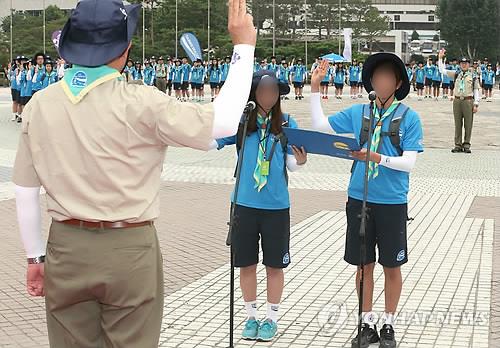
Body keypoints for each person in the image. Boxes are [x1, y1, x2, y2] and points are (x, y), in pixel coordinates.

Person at [12, 0, 256, 347]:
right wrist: (243, 46)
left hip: (65, 245)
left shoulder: (40, 103)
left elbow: (24, 189)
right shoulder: (142, 101)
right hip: (128, 245)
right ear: (125, 49)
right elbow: (224, 121)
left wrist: (35, 256)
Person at [310, 53, 424, 348]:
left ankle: (388, 324)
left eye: (387, 76)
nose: (381, 81)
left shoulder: (409, 118)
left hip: (392, 201)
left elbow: (408, 163)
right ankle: (367, 322)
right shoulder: (360, 113)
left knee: (392, 266)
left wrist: (375, 157)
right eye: (376, 76)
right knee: (363, 266)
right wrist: (314, 88)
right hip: (358, 198)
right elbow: (321, 126)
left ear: (397, 83)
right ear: (371, 82)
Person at [210, 70, 307, 342]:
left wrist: (299, 162)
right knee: (246, 264)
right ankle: (250, 317)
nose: (269, 95)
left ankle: (271, 319)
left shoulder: (287, 123)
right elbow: (212, 141)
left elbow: (290, 164)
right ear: (253, 94)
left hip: (276, 206)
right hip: (243, 204)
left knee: (275, 265)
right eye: (263, 90)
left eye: (274, 91)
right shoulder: (242, 123)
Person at [438, 50, 480, 154]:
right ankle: (458, 145)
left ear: (468, 64)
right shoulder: (456, 74)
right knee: (457, 124)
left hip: (468, 101)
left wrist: (476, 104)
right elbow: (442, 70)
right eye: (462, 63)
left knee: (468, 124)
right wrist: (440, 58)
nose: (464, 65)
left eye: (466, 63)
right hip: (457, 101)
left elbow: (476, 90)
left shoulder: (473, 76)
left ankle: (466, 144)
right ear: (460, 64)